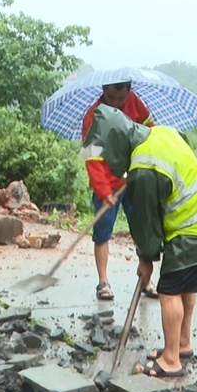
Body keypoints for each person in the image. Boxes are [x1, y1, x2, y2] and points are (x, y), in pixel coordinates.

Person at [81, 104, 197, 377]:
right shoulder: (163, 133)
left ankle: (171, 360)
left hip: (195, 230)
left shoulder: (143, 168)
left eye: (108, 154)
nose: (108, 160)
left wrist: (146, 260)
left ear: (117, 144)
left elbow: (147, 224)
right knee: (184, 284)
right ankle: (182, 343)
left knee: (168, 291)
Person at [81, 81, 158, 301]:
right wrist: (104, 190)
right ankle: (103, 282)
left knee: (143, 230)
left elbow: (150, 133)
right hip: (106, 180)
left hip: (134, 179)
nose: (116, 103)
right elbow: (93, 158)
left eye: (120, 99)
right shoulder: (93, 117)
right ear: (104, 91)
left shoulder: (136, 104)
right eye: (111, 98)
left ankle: (146, 279)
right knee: (102, 233)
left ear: (128, 92)